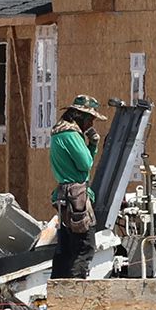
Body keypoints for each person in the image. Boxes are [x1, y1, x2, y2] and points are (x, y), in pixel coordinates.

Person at [48, 95, 103, 282]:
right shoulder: (71, 134)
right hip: (75, 195)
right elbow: (85, 163)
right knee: (84, 246)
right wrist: (93, 145)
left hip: (65, 194)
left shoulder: (58, 133)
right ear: (80, 116)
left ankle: (59, 288)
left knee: (66, 246)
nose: (91, 123)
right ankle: (75, 290)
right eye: (90, 119)